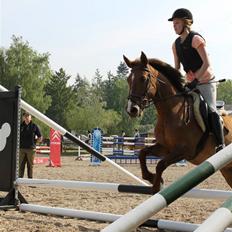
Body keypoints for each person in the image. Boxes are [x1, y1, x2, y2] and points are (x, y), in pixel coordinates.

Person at [168, 8, 225, 152]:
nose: (174, 26)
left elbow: (206, 64)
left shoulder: (196, 39)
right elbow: (176, 68)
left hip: (206, 81)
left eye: (177, 23)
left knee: (211, 110)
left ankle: (220, 145)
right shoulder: (175, 45)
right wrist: (176, 82)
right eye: (173, 24)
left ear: (186, 23)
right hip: (190, 83)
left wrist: (197, 79)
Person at [19, 112, 42, 178]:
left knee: (30, 166)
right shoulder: (20, 126)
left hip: (31, 150)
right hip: (21, 149)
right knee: (21, 165)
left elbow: (40, 137)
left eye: (28, 116)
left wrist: (34, 142)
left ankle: (30, 180)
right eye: (25, 116)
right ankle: (20, 180)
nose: (26, 117)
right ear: (23, 117)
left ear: (30, 117)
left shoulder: (34, 126)